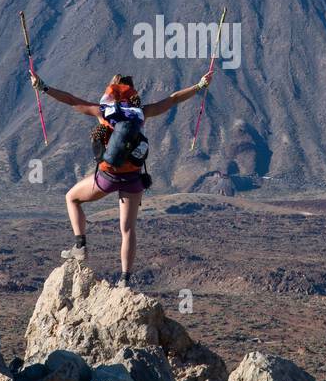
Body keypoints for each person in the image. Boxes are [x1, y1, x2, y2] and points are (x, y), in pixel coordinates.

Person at [28, 69, 214, 288]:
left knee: (72, 198)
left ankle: (80, 246)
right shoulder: (141, 114)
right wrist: (200, 85)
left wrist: (43, 87)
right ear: (132, 92)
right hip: (133, 178)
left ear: (111, 90)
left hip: (108, 176)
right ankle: (125, 280)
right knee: (127, 229)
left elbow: (70, 100)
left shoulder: (103, 111)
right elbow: (173, 99)